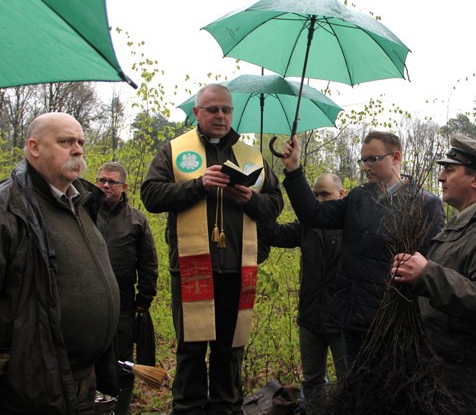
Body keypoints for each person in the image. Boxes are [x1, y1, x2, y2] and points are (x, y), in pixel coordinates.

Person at [141, 83, 283, 415]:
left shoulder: (250, 156)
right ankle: (188, 407)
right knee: (191, 349)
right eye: (213, 109)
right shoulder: (175, 150)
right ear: (197, 112)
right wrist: (197, 186)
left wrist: (252, 200)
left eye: (226, 110)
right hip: (192, 266)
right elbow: (150, 195)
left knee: (229, 349)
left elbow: (275, 204)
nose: (220, 116)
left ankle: (226, 407)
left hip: (238, 266)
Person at [278, 131, 445, 366]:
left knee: (384, 395)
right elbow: (313, 214)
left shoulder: (424, 204)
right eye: (363, 160)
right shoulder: (358, 197)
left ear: (396, 157)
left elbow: (432, 267)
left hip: (391, 324)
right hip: (350, 318)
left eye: (373, 159)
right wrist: (294, 170)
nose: (366, 166)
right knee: (350, 391)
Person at [390, 134, 476, 415]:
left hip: (472, 388)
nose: (440, 177)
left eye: (449, 169)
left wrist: (427, 274)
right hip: (448, 374)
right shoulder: (464, 224)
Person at [0, 112, 120, 415]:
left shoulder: (83, 201)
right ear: (34, 147)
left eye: (80, 142)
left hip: (83, 379)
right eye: (66, 141)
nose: (78, 149)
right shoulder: (9, 208)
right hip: (32, 384)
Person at [259, 173, 347, 412]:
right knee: (313, 382)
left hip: (342, 321)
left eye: (325, 194)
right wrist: (261, 204)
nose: (318, 200)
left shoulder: (352, 228)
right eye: (315, 194)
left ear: (341, 194)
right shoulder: (307, 226)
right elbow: (275, 234)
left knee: (348, 383)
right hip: (310, 319)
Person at [95, 162, 159, 415]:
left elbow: (148, 263)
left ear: (123, 187)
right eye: (101, 181)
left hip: (123, 305)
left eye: (111, 182)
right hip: (91, 305)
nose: (105, 186)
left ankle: (119, 409)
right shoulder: (84, 215)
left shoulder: (136, 220)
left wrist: (144, 300)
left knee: (121, 364)